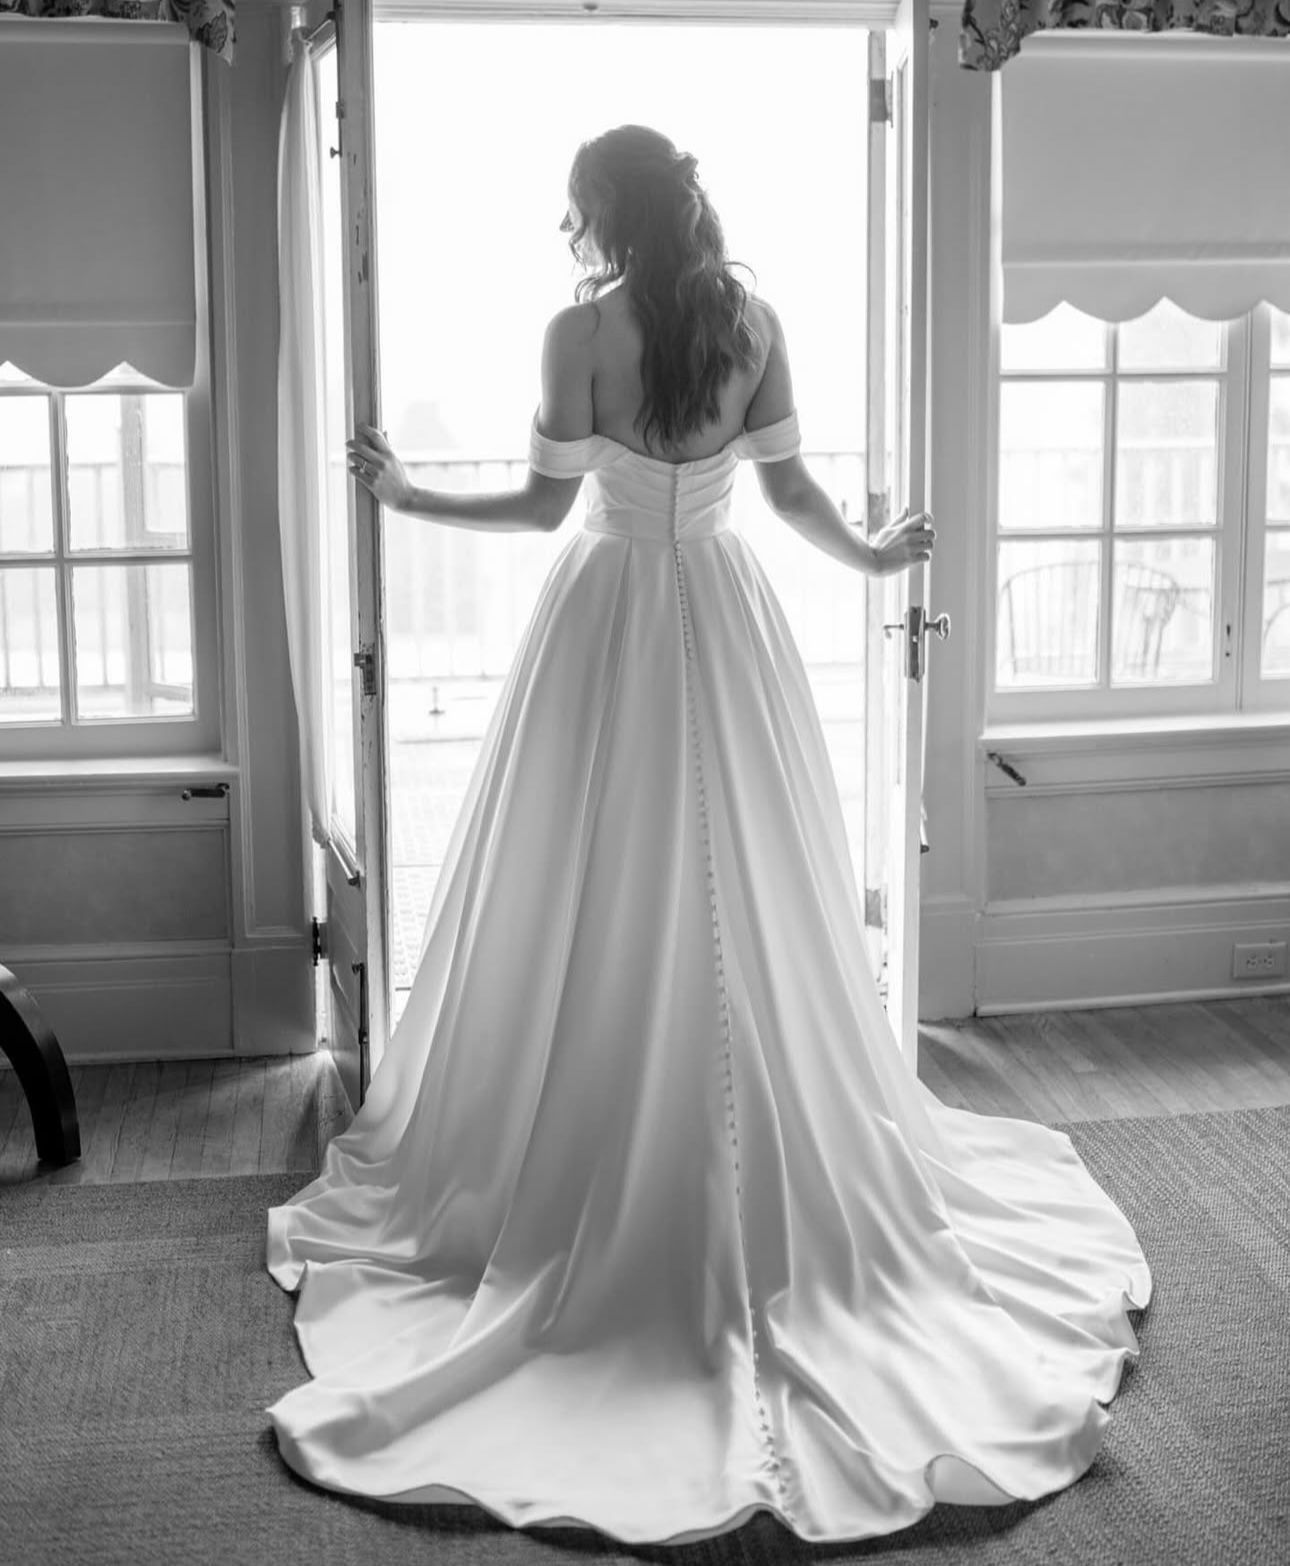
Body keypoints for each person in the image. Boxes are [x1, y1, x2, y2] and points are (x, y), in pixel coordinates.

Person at [265, 124, 1150, 1547]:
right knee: (748, 879)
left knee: (587, 882)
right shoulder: (751, 320)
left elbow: (545, 502)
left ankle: (588, 1134)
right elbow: (793, 497)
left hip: (606, 614)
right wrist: (875, 557)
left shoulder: (577, 332)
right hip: (725, 615)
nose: (566, 237)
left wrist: (402, 491)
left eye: (572, 214)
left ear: (607, 215)